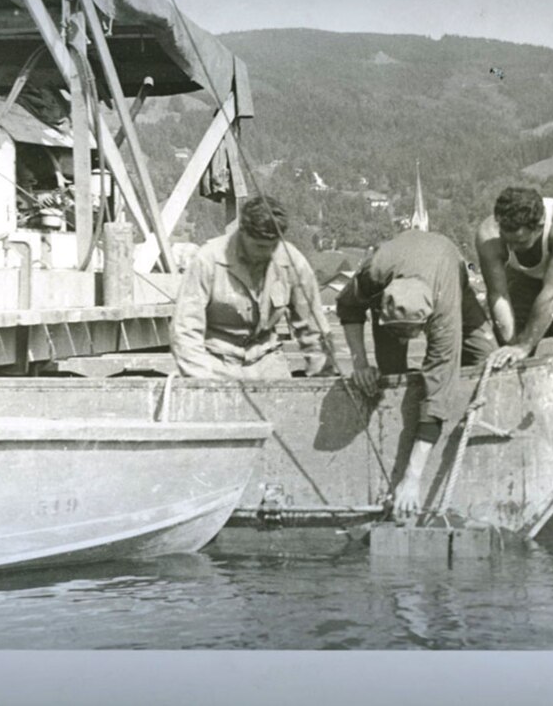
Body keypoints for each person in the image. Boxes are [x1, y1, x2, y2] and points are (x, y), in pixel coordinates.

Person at [335, 229, 496, 517]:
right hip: (397, 265)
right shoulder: (373, 275)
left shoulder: (444, 317)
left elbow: (436, 396)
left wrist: (413, 480)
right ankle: (403, 428)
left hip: (447, 269)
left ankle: (453, 430)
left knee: (483, 353)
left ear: (426, 324)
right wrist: (360, 364)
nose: (403, 339)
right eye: (396, 331)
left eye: (409, 333)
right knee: (392, 374)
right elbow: (347, 306)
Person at [171, 195, 332, 380]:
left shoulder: (291, 260)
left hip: (267, 362)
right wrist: (201, 381)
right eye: (259, 246)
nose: (267, 253)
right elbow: (185, 329)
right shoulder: (208, 260)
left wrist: (323, 375)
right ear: (243, 233)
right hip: (215, 363)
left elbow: (312, 325)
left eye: (273, 246)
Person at [475, 186, 553, 370]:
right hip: (525, 277)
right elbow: (498, 295)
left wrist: (524, 346)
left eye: (520, 242)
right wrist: (512, 347)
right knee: (506, 347)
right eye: (507, 240)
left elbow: (552, 293)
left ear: (540, 225)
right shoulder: (487, 235)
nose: (511, 248)